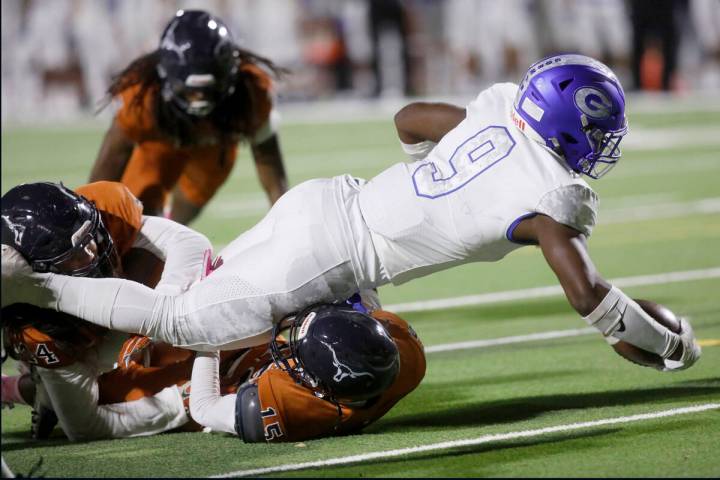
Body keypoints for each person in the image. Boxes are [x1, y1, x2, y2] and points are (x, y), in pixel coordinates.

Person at [2, 54, 701, 374]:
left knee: (201, 296)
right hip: (335, 254)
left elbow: (407, 119)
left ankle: (67, 351)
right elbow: (591, 298)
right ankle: (25, 286)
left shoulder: (495, 111)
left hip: (330, 200)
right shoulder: (554, 200)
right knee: (179, 322)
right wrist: (670, 346)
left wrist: (448, 163)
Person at [0, 181, 211, 440]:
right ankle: (27, 388)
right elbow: (85, 427)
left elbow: (189, 243)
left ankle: (42, 391)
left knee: (165, 269)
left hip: (112, 312)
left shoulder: (99, 210)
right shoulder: (33, 328)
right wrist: (184, 404)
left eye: (89, 237)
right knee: (94, 400)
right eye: (73, 255)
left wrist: (161, 306)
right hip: (65, 338)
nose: (92, 251)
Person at [89, 9, 288, 224]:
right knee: (136, 220)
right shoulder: (142, 94)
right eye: (191, 91)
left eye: (208, 90)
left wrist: (287, 223)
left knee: (173, 228)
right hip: (160, 145)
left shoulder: (251, 90)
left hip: (213, 149)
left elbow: (271, 166)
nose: (199, 100)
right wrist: (89, 215)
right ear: (165, 75)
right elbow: (113, 158)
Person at [190, 300, 425, 442]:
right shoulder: (406, 353)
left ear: (318, 387)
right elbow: (364, 305)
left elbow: (202, 407)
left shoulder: (285, 406)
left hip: (210, 381)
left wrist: (209, 338)